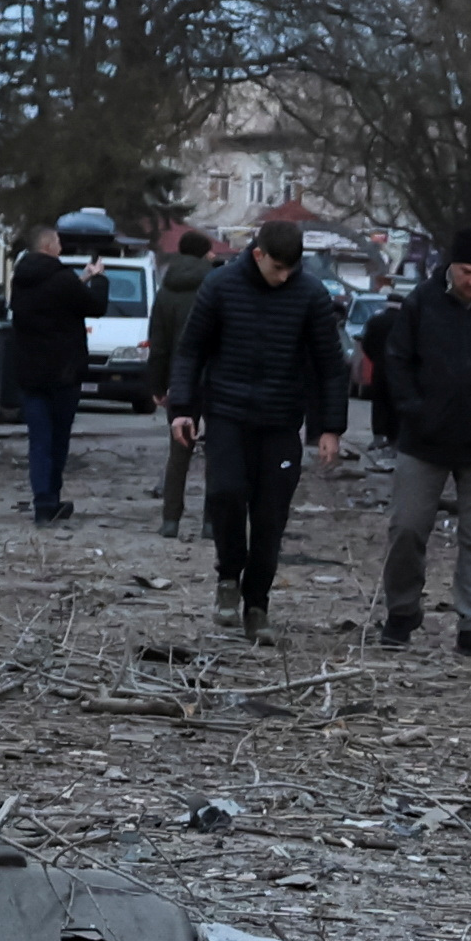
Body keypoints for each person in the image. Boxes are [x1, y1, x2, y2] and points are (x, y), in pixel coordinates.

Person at [363, 227, 471, 660]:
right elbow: (396, 361)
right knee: (406, 529)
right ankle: (402, 612)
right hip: (423, 441)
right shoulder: (422, 302)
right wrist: (414, 410)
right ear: (451, 267)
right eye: (467, 272)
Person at [166, 221, 345, 643]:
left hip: (281, 420)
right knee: (226, 494)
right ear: (258, 254)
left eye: (292, 268)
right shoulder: (220, 286)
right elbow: (191, 350)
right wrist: (183, 409)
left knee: (270, 517)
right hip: (228, 415)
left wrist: (329, 428)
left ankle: (257, 605)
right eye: (278, 267)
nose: (285, 276)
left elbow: (330, 366)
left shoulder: (310, 295)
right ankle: (228, 576)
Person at [5, 225, 95, 522]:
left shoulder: (21, 280)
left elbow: (53, 299)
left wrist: (80, 280)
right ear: (47, 246)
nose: (61, 245)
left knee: (39, 439)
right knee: (58, 438)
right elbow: (95, 305)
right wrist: (99, 279)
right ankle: (51, 497)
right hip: (63, 372)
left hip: (30, 372)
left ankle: (43, 500)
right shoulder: (62, 278)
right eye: (57, 241)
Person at [150, 230, 216, 537]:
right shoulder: (217, 285)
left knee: (179, 450)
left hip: (179, 379)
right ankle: (211, 522)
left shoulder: (166, 289)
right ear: (205, 254)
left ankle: (170, 520)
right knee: (218, 451)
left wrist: (158, 385)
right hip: (216, 378)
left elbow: (159, 344)